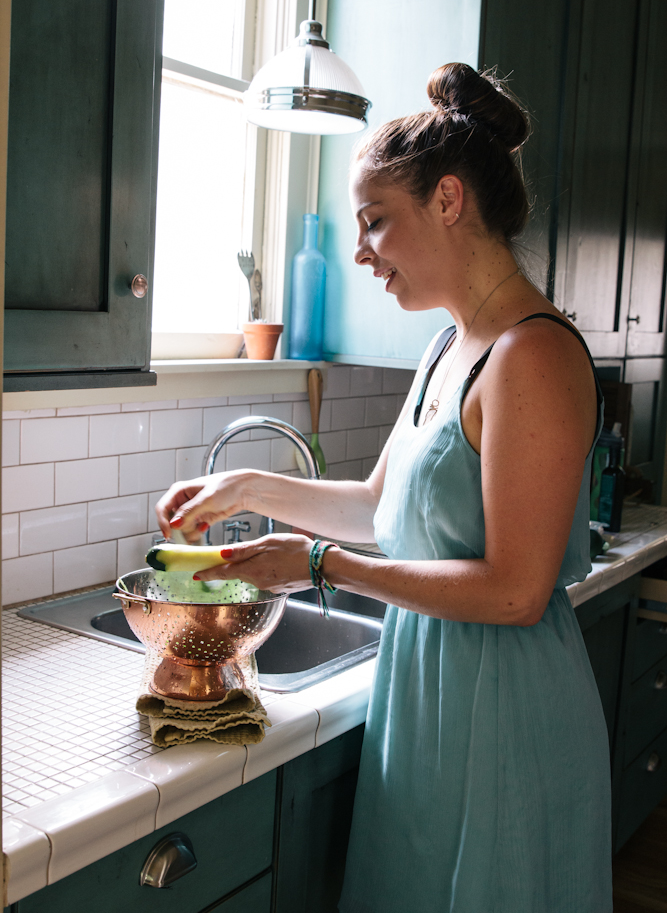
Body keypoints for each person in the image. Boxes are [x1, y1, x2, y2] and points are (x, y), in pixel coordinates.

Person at [156, 62, 612, 912]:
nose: (360, 252)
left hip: (504, 710)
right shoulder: (449, 346)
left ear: (447, 201)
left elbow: (515, 592)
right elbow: (378, 508)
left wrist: (320, 566)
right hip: (428, 693)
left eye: (373, 223)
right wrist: (244, 483)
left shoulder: (532, 355)